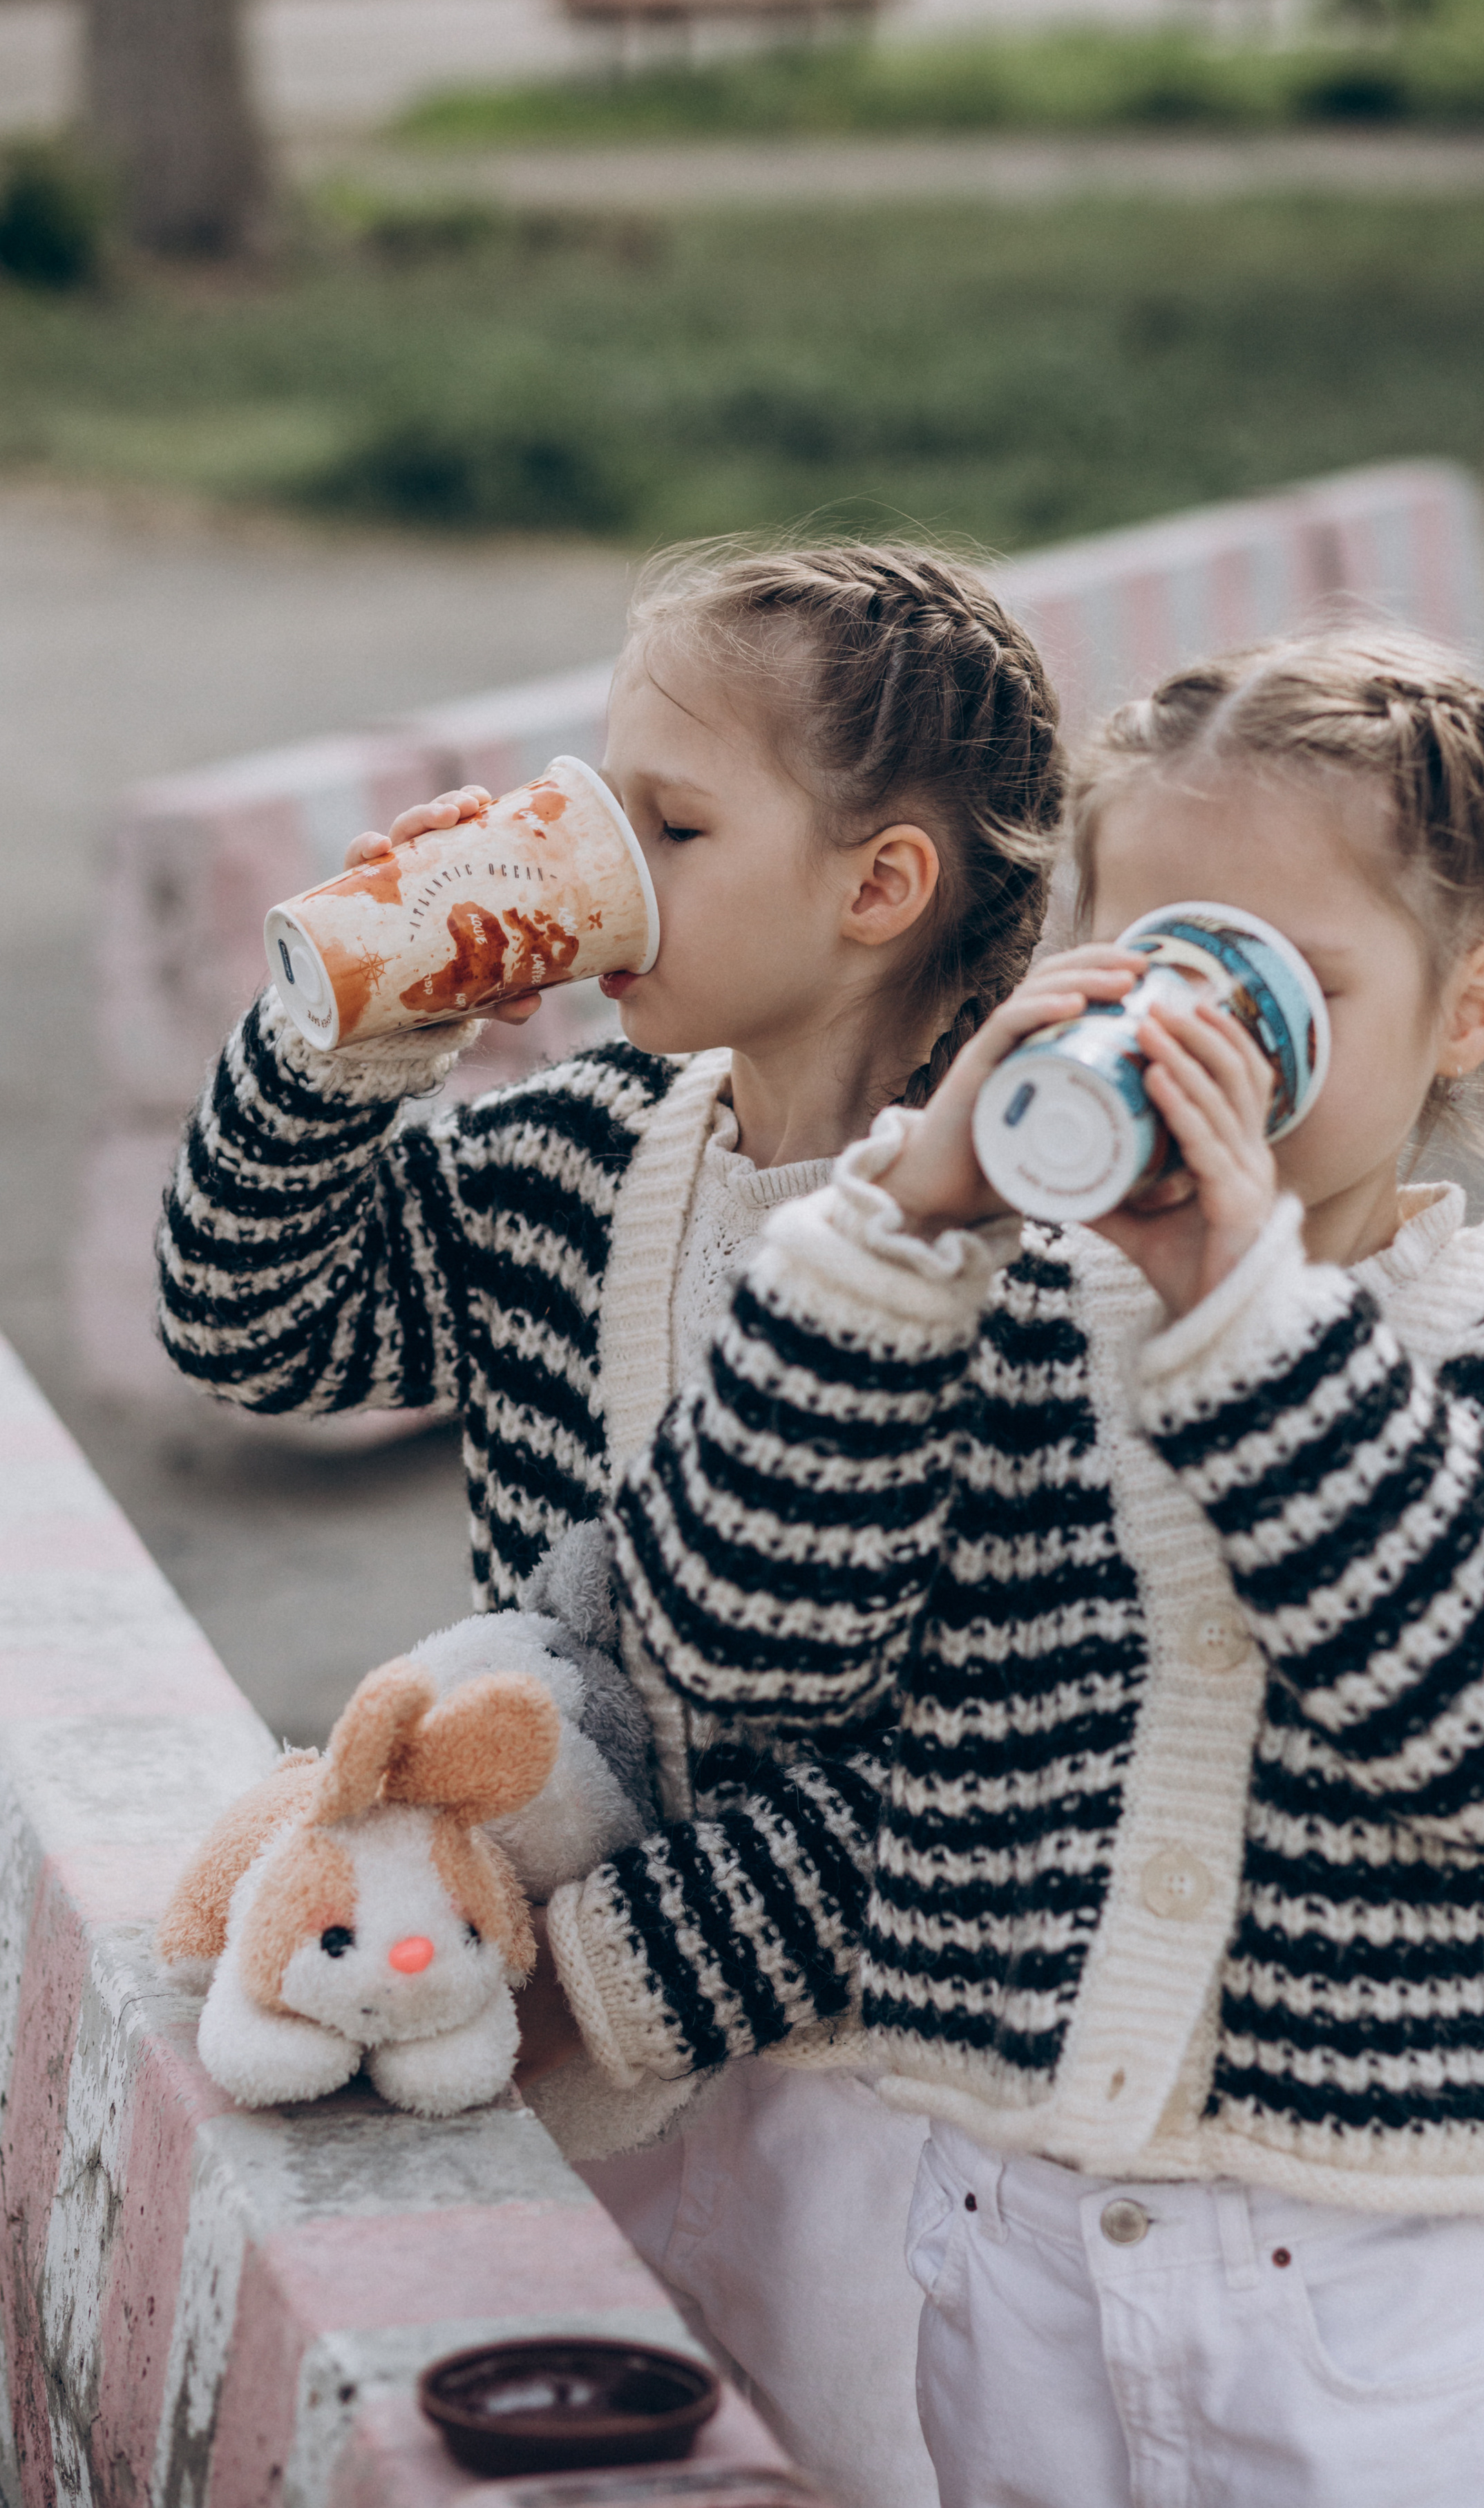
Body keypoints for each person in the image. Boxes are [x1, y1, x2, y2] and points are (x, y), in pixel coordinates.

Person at [567, 628, 1484, 2508]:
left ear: (1468, 1009)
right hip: (1008, 2237)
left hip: (1367, 2276)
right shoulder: (993, 1314)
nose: (1199, 1048)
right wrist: (899, 1234)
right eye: (1156, 971)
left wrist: (1249, 1326)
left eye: (1282, 990)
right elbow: (733, 1637)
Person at [154, 540, 1066, 2508]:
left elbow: (986, 1756)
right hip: (577, 2081)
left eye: (670, 824)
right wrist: (343, 1030)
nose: (603, 866)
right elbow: (253, 1318)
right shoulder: (566, 1151)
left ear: (881, 887)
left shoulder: (1013, 1254)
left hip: (883, 2103)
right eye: (594, 798)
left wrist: (600, 1964)